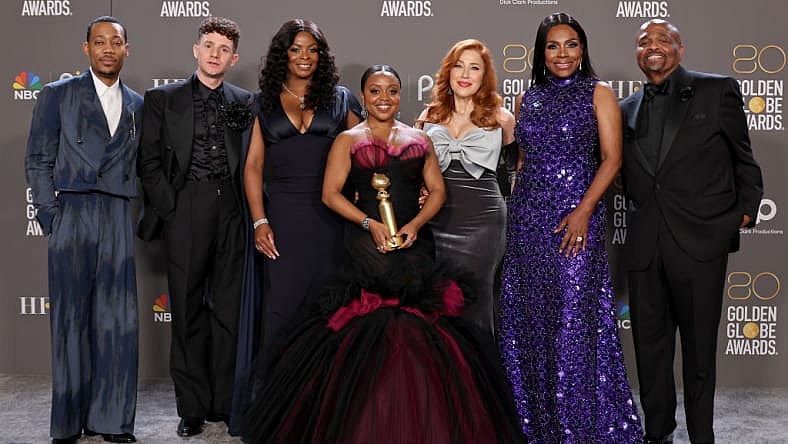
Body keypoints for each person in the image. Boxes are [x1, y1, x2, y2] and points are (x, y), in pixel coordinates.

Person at [242, 65, 524, 443]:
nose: (383, 99)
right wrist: (367, 224)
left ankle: (419, 419)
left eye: (391, 91)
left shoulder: (418, 139)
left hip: (413, 245)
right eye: (375, 91)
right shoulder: (346, 140)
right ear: (364, 96)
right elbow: (330, 194)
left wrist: (416, 225)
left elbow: (437, 192)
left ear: (400, 96)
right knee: (369, 327)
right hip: (365, 244)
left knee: (417, 328)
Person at [498, 12, 643, 442]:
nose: (562, 54)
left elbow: (613, 159)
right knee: (531, 318)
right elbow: (523, 161)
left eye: (571, 44)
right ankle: (535, 421)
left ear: (583, 49)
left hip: (577, 217)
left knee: (573, 318)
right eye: (553, 46)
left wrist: (582, 212)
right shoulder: (527, 98)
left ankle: (577, 425)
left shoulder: (599, 93)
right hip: (527, 220)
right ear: (541, 52)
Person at [620, 19, 763, 444]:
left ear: (680, 50)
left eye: (663, 40)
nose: (653, 47)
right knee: (650, 350)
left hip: (700, 242)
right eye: (644, 42)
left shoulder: (715, 90)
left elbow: (744, 159)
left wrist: (746, 213)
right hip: (646, 245)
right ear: (638, 54)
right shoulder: (626, 106)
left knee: (699, 353)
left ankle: (703, 435)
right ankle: (658, 430)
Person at [24, 16, 142, 444]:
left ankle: (112, 421)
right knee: (70, 320)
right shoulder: (58, 95)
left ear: (127, 49)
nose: (108, 49)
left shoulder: (137, 104)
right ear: (86, 49)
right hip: (72, 211)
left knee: (118, 322)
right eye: (99, 42)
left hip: (115, 215)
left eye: (116, 42)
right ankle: (68, 423)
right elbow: (38, 159)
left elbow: (142, 168)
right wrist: (52, 215)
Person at [137, 17, 254, 437]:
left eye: (223, 49)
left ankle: (224, 402)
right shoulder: (162, 99)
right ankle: (191, 407)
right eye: (208, 45)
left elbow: (255, 163)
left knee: (228, 311)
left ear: (233, 57)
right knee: (185, 310)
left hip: (233, 211)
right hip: (186, 206)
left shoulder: (246, 101)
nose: (214, 54)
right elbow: (148, 163)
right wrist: (172, 209)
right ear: (195, 49)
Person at [243, 19, 361, 371]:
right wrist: (259, 220)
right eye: (296, 49)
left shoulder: (342, 99)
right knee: (282, 306)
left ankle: (327, 399)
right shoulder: (262, 102)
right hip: (282, 218)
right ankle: (279, 399)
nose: (305, 57)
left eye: (313, 49)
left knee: (330, 308)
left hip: (332, 218)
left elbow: (365, 155)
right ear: (283, 54)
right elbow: (253, 165)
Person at [416, 38, 515, 335]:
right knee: (440, 300)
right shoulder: (426, 118)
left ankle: (480, 375)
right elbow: (415, 173)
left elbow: (513, 171)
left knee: (477, 298)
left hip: (483, 219)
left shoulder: (502, 118)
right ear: (448, 72)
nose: (465, 74)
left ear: (484, 77)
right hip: (437, 219)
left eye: (474, 68)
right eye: (458, 65)